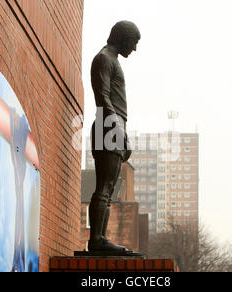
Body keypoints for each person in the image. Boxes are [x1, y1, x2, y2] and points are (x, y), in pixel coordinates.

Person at [89, 21, 141, 252]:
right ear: (123, 37)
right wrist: (117, 129)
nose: (135, 48)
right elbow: (103, 97)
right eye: (134, 42)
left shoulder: (112, 60)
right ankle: (97, 240)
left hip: (113, 126)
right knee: (104, 186)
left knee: (109, 189)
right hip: (108, 125)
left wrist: (122, 133)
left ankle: (100, 238)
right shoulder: (104, 59)